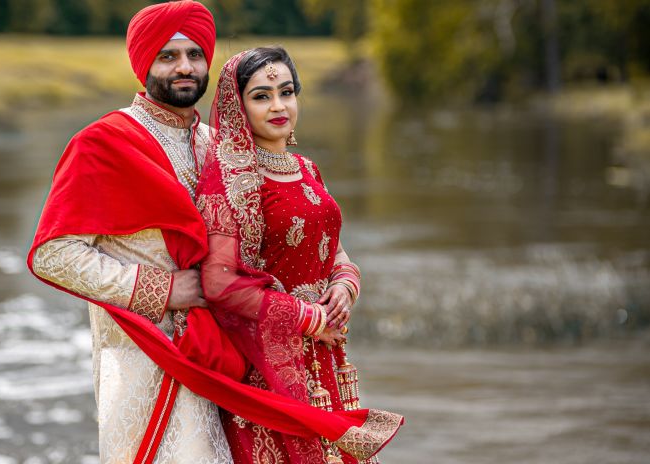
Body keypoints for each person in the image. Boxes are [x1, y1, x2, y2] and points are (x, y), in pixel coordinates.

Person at [27, 1, 234, 462]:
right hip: (140, 355)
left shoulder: (217, 145)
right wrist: (163, 289)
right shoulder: (102, 143)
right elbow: (53, 255)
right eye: (168, 56)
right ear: (145, 65)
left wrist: (340, 278)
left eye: (195, 55)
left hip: (220, 355)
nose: (185, 67)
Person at [195, 47, 398, 463]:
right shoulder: (231, 177)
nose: (278, 106)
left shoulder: (307, 167)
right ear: (238, 106)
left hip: (325, 352)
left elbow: (334, 250)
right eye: (261, 95)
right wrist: (309, 319)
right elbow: (218, 283)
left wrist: (345, 286)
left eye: (286, 92)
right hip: (267, 362)